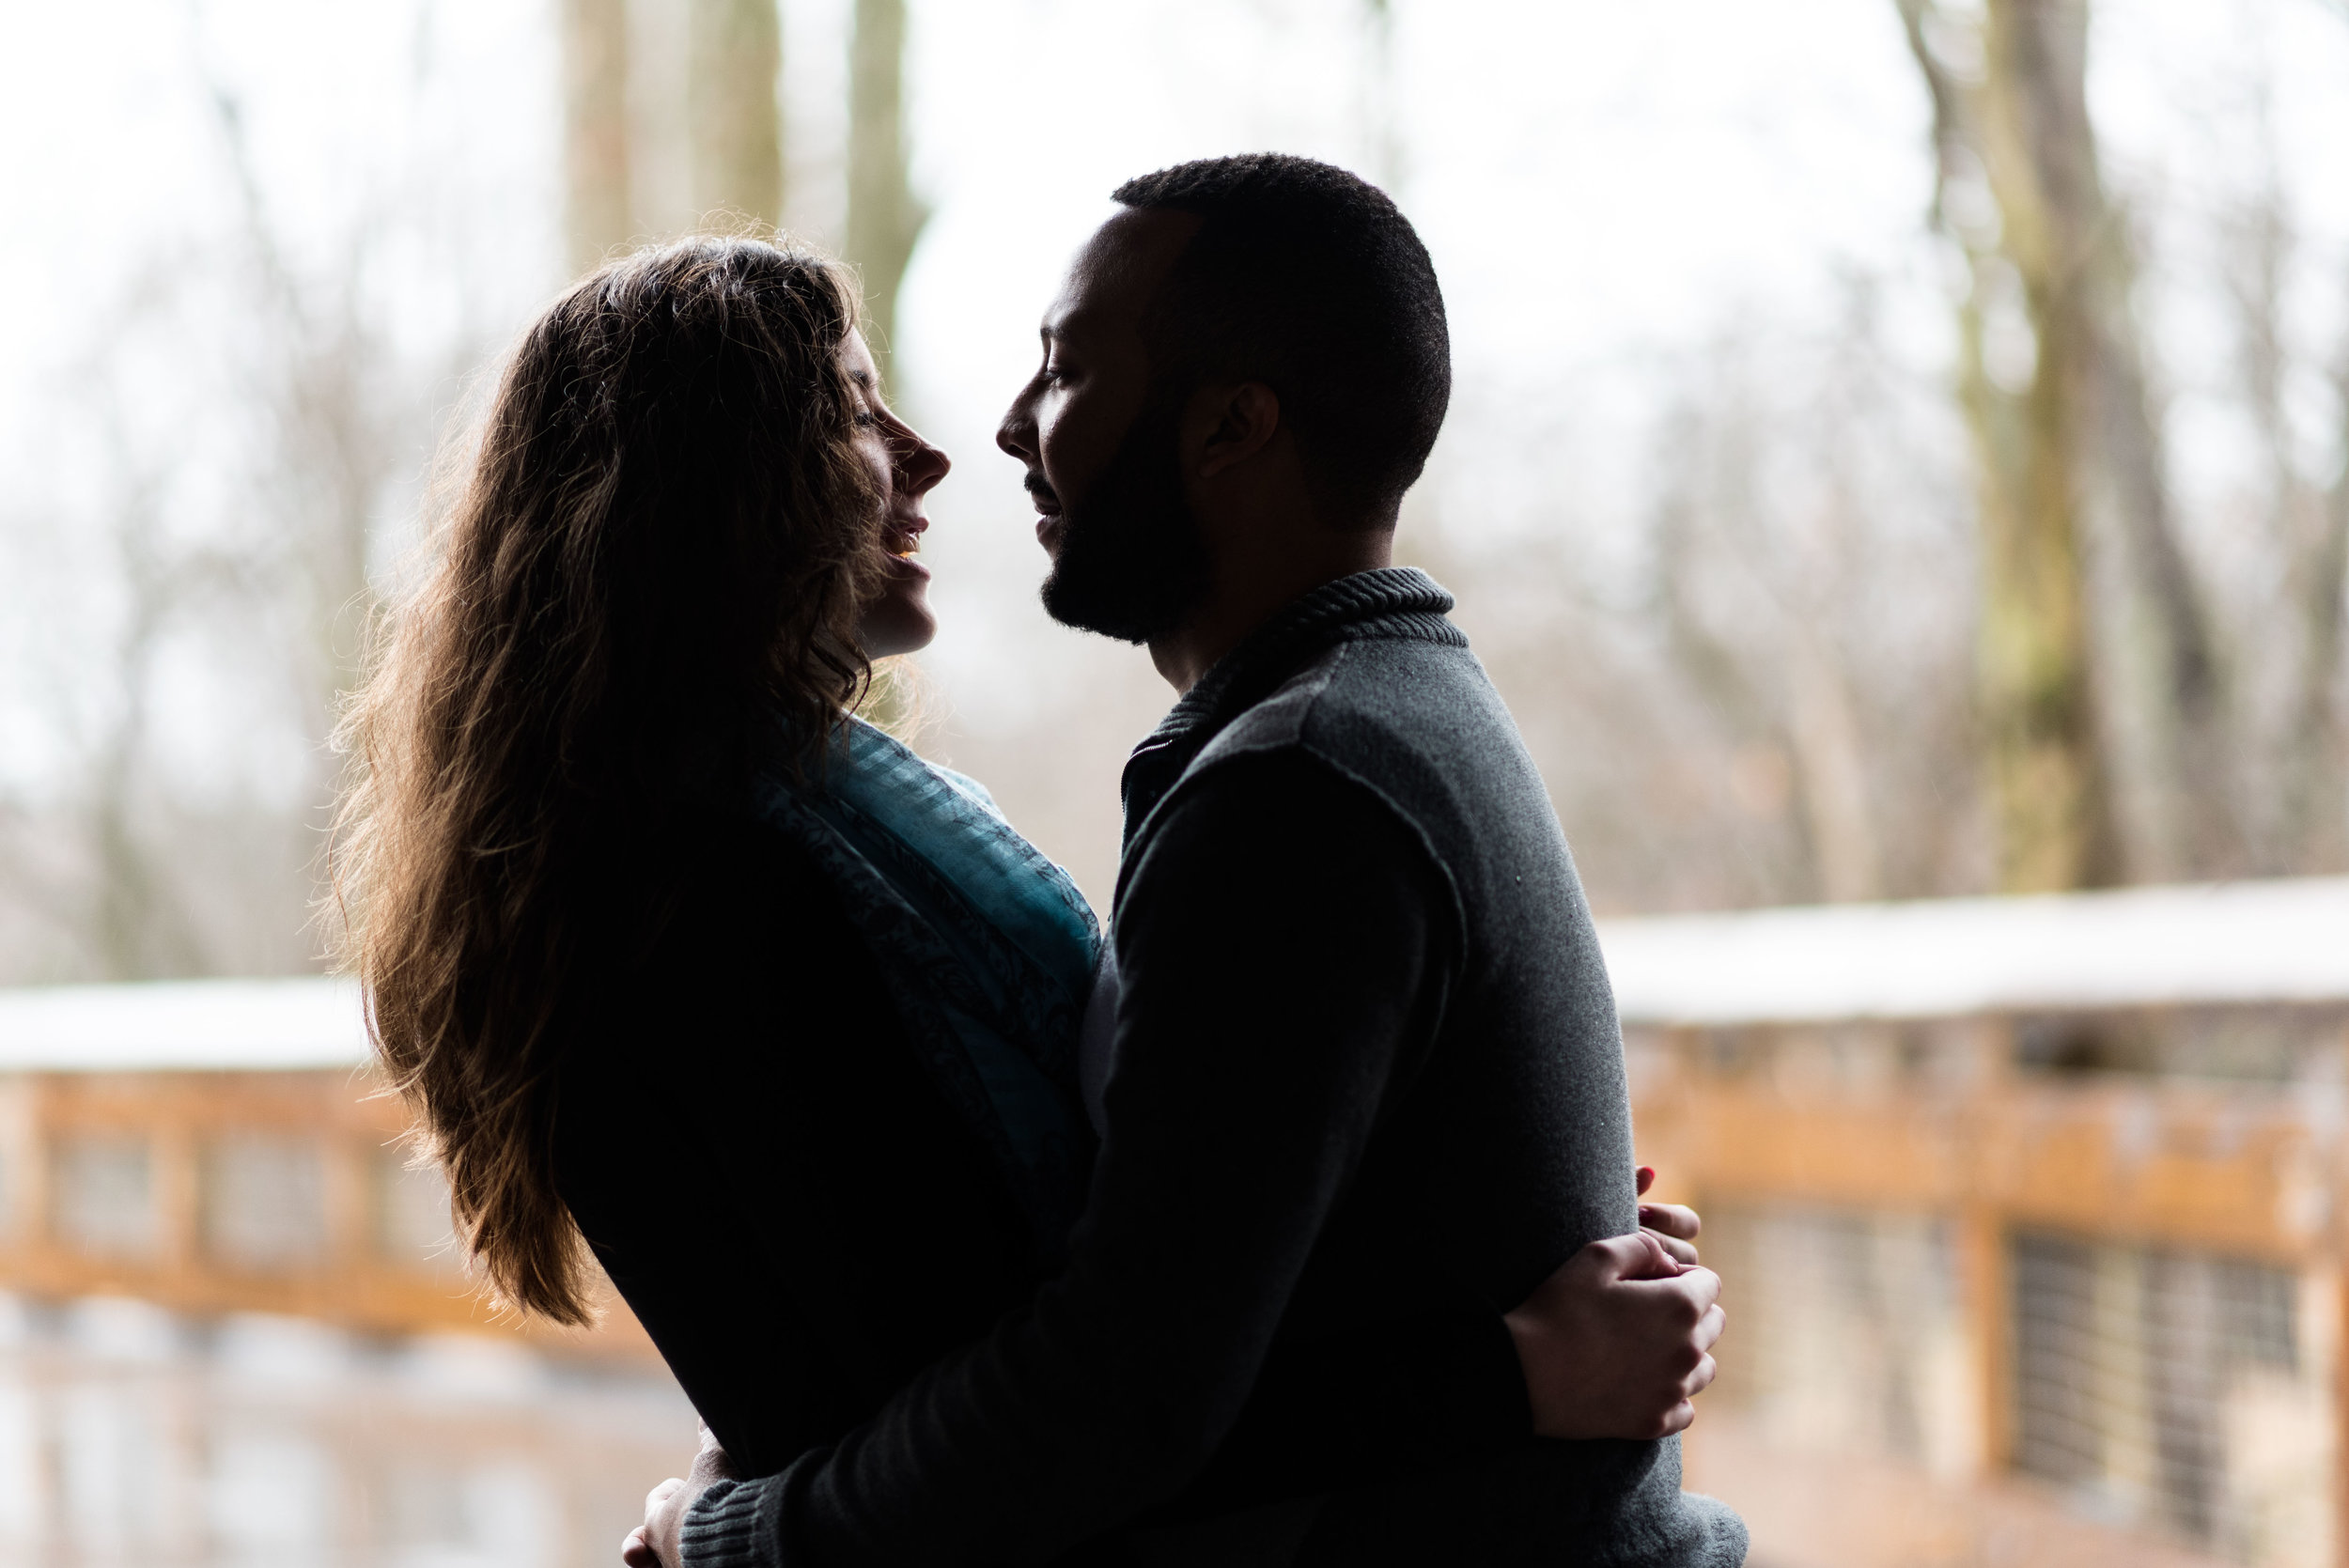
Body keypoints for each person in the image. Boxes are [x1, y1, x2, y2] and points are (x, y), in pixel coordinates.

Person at [331, 213, 1725, 1568]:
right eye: (852, 415)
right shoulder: (700, 913)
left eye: (1060, 369)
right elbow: (1063, 1410)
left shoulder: (788, 846)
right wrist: (1500, 1365)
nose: (937, 453)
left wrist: (1473, 1219)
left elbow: (1083, 1338)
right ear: (711, 495)